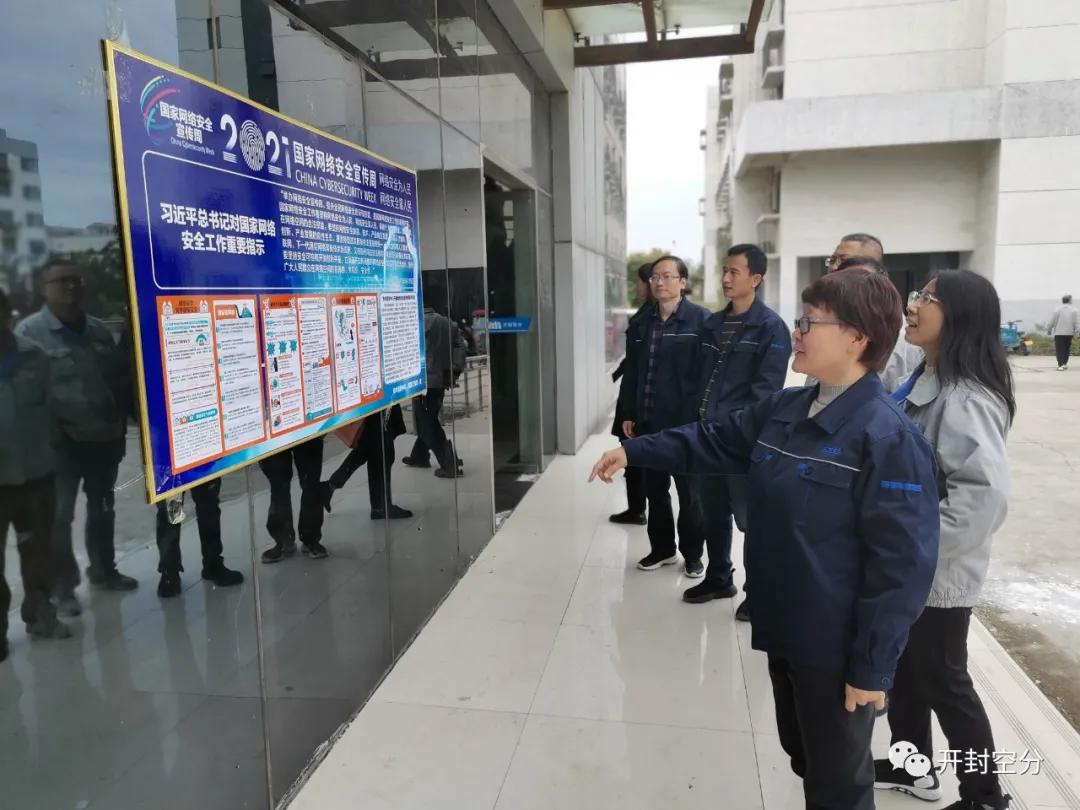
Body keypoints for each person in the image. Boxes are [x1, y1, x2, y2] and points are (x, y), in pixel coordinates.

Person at [591, 269, 939, 810]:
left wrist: (872, 667)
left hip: (835, 644)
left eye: (809, 323)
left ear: (857, 337)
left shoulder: (888, 438)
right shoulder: (787, 409)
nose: (796, 332)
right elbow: (711, 439)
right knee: (805, 757)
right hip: (785, 627)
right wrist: (634, 451)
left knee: (838, 784)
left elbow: (902, 568)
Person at [875, 270, 1015, 810]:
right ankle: (912, 766)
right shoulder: (926, 377)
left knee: (946, 683)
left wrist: (915, 551)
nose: (913, 306)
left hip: (937, 574)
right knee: (908, 672)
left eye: (927, 298)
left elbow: (982, 498)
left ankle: (985, 796)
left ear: (958, 316)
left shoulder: (965, 399)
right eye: (917, 295)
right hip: (913, 566)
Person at [16, 260, 137, 615]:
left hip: (103, 438)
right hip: (59, 445)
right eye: (61, 281)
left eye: (76, 280)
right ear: (45, 289)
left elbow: (117, 382)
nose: (71, 287)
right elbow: (25, 397)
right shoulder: (30, 333)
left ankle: (104, 570)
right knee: (59, 518)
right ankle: (63, 587)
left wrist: (121, 424)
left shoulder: (98, 331)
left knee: (103, 509)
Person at [683, 244, 790, 612]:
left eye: (734, 272)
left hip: (741, 441)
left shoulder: (771, 328)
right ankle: (719, 578)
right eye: (724, 271)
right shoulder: (712, 324)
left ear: (755, 279)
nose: (726, 279)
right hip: (706, 438)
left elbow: (766, 392)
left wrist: (736, 431)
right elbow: (698, 379)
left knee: (750, 520)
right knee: (711, 512)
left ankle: (758, 592)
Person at [616, 255, 709, 573]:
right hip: (649, 421)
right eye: (655, 277)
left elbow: (710, 373)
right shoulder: (641, 323)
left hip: (687, 424)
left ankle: (693, 554)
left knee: (690, 493)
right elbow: (632, 372)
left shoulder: (701, 321)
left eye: (667, 276)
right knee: (654, 490)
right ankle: (662, 549)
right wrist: (629, 412)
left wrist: (704, 417)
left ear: (683, 282)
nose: (659, 282)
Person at [1, 288, 72, 660]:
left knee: (39, 551)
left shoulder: (34, 355)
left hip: (37, 476)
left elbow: (50, 410)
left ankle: (41, 614)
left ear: (7, 313)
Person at [820, 233, 922, 391]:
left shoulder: (902, 340)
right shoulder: (829, 321)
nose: (834, 267)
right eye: (832, 260)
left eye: (844, 260)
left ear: (872, 269)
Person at [609, 261, 653, 526]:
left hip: (637, 399)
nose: (636, 286)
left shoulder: (651, 317)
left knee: (634, 454)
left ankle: (637, 509)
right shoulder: (648, 313)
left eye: (639, 281)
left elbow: (639, 361)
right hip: (633, 395)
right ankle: (636, 507)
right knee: (633, 453)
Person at [401, 300, 465, 479]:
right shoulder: (448, 323)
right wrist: (454, 371)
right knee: (428, 419)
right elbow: (461, 347)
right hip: (441, 380)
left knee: (427, 424)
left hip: (424, 381)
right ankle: (419, 456)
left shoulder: (417, 323)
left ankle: (449, 463)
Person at [155, 479, 245, 598]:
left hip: (201, 467)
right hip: (169, 468)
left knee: (209, 503)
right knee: (171, 508)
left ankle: (213, 564)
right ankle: (169, 572)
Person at [320, 404, 412, 519]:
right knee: (379, 446)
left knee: (371, 445)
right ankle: (380, 506)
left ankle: (330, 486)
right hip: (378, 401)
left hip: (377, 403)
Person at [258, 437, 328, 562]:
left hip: (307, 430)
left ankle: (311, 539)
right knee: (278, 485)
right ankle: (284, 541)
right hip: (272, 434)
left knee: (311, 481)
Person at [1048, 294, 1078, 370]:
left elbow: (1052, 321)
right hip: (1069, 333)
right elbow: (1077, 323)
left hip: (1059, 333)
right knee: (1066, 348)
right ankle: (1064, 363)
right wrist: (1077, 332)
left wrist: (1049, 329)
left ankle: (1060, 365)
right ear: (1070, 301)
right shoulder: (1074, 310)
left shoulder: (1057, 310)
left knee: (1059, 349)